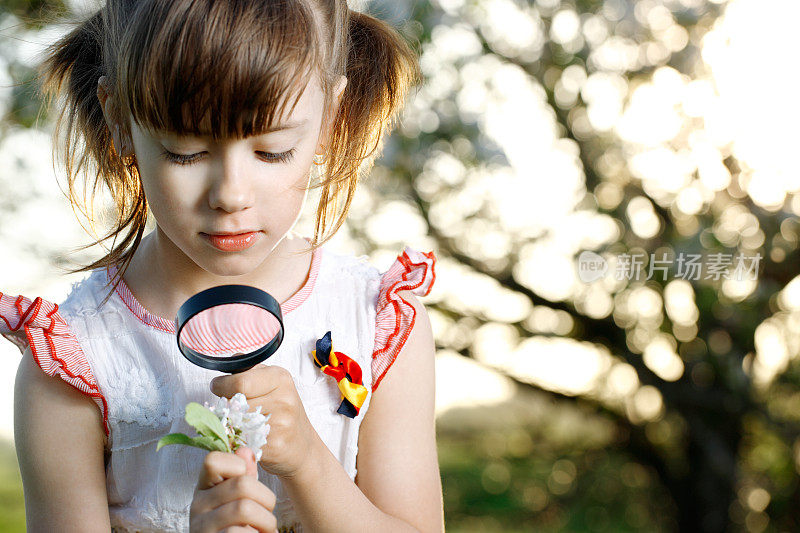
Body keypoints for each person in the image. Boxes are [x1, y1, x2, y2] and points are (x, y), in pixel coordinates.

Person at [0, 0, 444, 531]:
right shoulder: (72, 364)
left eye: (273, 151)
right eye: (186, 152)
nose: (231, 195)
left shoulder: (377, 323)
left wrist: (309, 465)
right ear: (119, 120)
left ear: (329, 119)